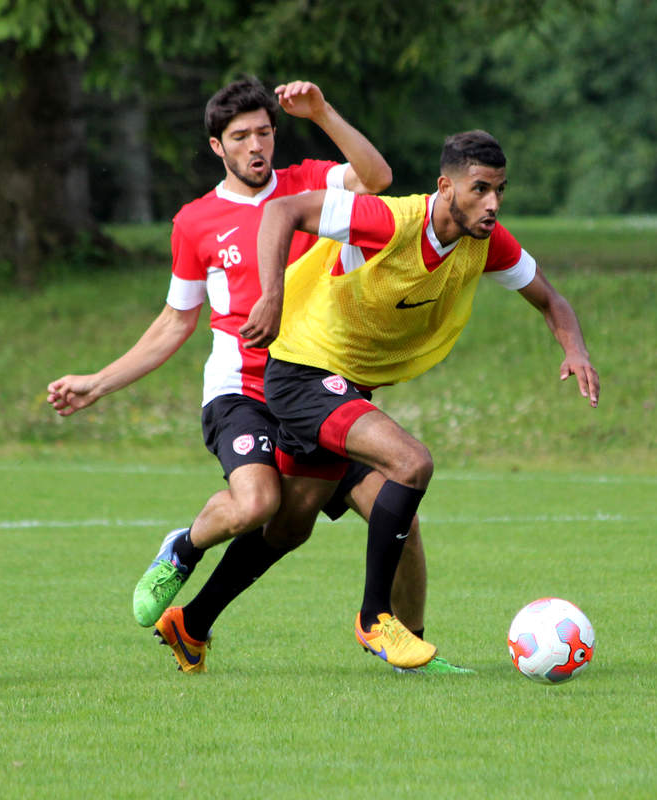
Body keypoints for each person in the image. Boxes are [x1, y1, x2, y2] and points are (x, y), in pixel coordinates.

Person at [46, 77, 466, 674]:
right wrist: (98, 381)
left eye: (264, 133)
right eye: (240, 136)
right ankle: (184, 546)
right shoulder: (195, 222)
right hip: (241, 392)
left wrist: (321, 113)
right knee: (258, 504)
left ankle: (413, 651)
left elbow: (376, 178)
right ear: (217, 146)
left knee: (396, 515)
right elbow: (175, 321)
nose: (255, 146)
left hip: (316, 389)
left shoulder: (308, 184)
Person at [201, 128, 599, 670]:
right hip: (301, 370)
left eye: (500, 190)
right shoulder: (389, 221)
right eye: (480, 189)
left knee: (291, 525)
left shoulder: (487, 241)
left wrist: (575, 350)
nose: (493, 204)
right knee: (411, 463)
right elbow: (283, 210)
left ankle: (191, 623)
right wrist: (272, 295)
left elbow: (550, 299)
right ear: (445, 187)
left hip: (345, 381)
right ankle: (375, 619)